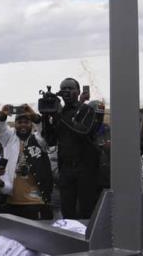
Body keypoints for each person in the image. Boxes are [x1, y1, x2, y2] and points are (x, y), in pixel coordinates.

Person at [41, 77, 100, 220]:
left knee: (86, 210)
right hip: (66, 169)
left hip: (85, 169)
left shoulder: (86, 109)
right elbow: (50, 140)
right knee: (67, 211)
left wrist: (59, 116)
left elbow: (83, 131)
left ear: (78, 92)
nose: (66, 91)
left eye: (70, 88)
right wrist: (46, 117)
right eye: (63, 89)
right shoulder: (59, 113)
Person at [0, 105, 53, 221]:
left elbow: (46, 134)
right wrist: (2, 116)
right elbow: (0, 129)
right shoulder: (9, 138)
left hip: (35, 200)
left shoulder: (38, 139)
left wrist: (35, 117)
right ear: (15, 124)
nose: (23, 125)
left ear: (31, 125)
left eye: (26, 122)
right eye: (19, 122)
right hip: (12, 199)